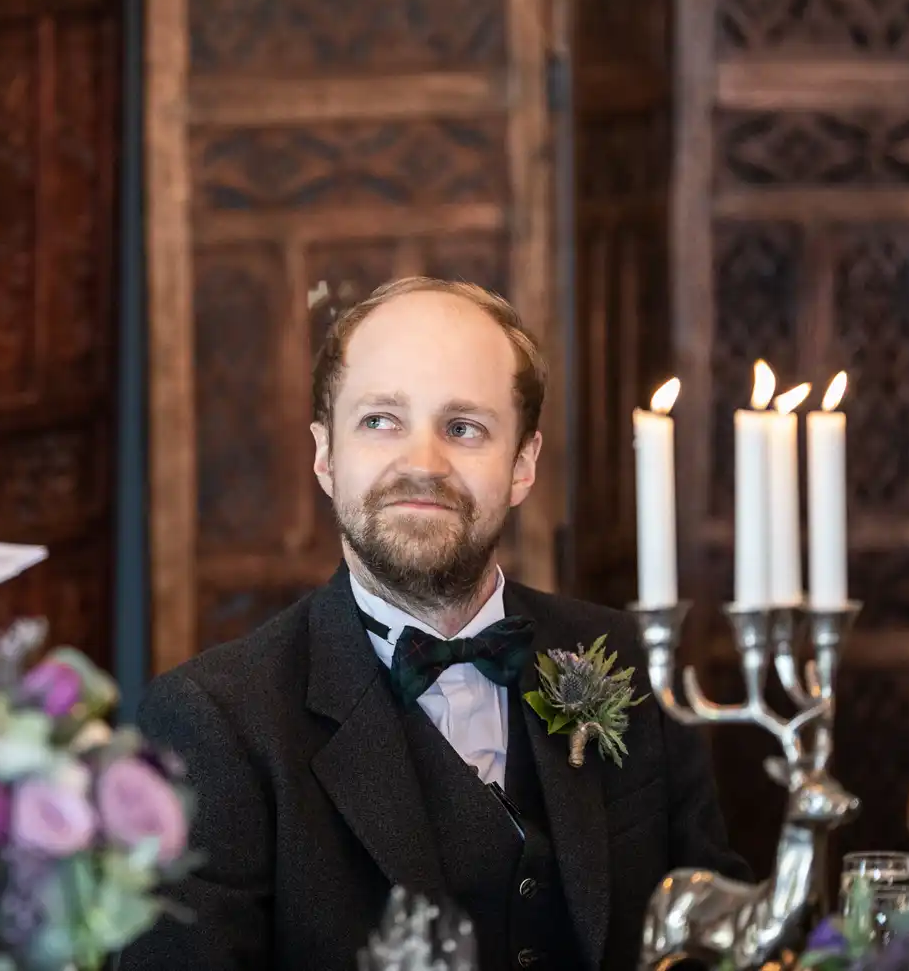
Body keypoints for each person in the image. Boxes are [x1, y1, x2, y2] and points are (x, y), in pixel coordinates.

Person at [121, 278, 746, 971]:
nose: (422, 463)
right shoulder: (215, 724)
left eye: (463, 427)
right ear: (326, 455)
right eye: (381, 420)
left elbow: (710, 937)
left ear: (522, 464)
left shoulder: (627, 662)